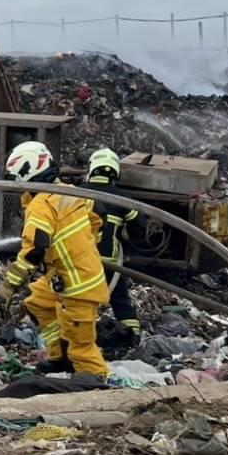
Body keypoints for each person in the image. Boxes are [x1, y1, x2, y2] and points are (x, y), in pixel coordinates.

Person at [0, 141, 111, 378]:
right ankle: (59, 357)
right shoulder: (67, 190)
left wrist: (7, 287)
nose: (16, 183)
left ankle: (95, 383)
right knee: (39, 302)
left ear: (29, 170)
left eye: (17, 176)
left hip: (78, 285)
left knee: (82, 346)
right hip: (65, 274)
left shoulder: (41, 205)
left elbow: (34, 250)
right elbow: (99, 212)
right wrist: (85, 244)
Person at [81, 148, 146, 347]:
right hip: (110, 264)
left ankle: (81, 337)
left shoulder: (75, 192)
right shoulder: (124, 199)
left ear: (92, 168)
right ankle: (132, 339)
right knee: (120, 301)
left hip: (80, 261)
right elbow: (139, 229)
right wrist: (122, 235)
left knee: (79, 301)